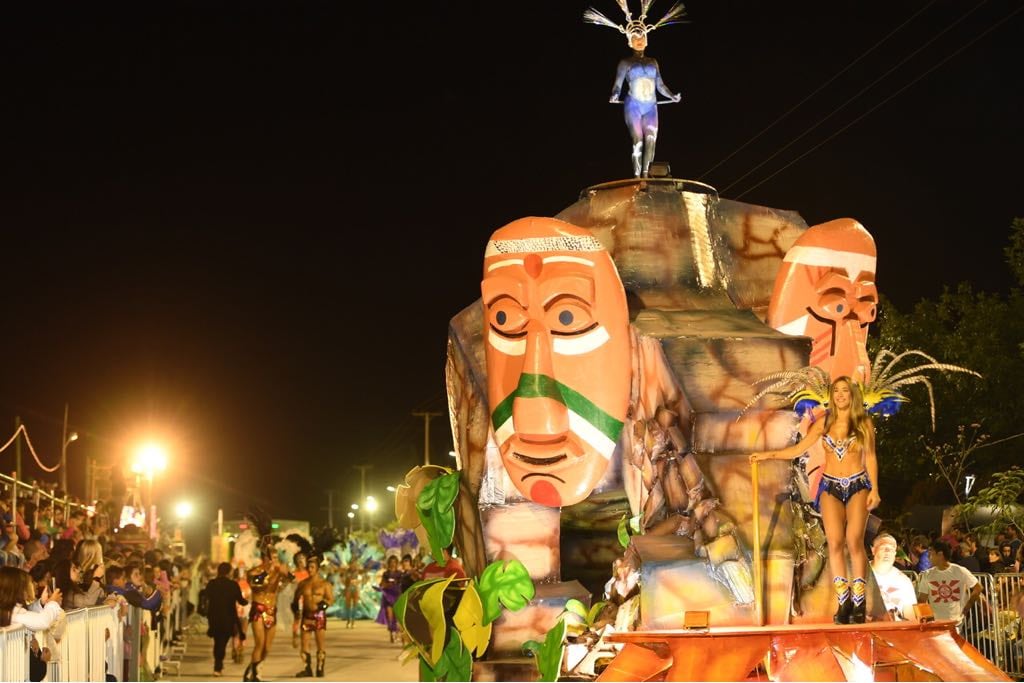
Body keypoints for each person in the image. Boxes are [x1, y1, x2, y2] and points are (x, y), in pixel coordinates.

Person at [751, 376, 880, 624]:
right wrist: (767, 455)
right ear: (831, 396)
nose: (841, 395)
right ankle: (844, 602)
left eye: (845, 390)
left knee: (854, 541)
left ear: (852, 395)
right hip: (830, 485)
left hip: (858, 484)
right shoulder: (823, 422)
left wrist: (875, 489)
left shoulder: (863, 423)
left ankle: (859, 601)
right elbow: (797, 450)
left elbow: (871, 457)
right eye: (836, 391)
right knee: (834, 543)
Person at [583, 0, 685, 177]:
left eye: (642, 37)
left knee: (651, 139)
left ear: (647, 40)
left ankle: (647, 174)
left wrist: (672, 96)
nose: (640, 41)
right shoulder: (625, 62)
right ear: (630, 42)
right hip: (634, 105)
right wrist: (615, 94)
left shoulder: (653, 62)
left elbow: (660, 84)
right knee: (638, 140)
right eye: (636, 39)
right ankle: (637, 176)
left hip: (651, 106)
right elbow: (618, 84)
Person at [0, 566, 65, 682]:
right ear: (18, 589)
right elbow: (42, 621)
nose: (32, 586)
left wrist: (42, 603)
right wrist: (53, 603)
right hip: (14, 670)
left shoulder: (10, 610)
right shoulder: (14, 613)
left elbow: (27, 614)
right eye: (27, 584)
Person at [244, 535, 290, 681]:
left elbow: (285, 585)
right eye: (273, 558)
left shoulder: (278, 572)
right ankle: (256, 676)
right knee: (260, 643)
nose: (276, 561)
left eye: (277, 558)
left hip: (271, 610)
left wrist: (287, 576)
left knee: (267, 648)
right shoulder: (254, 572)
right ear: (265, 558)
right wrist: (268, 572)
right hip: (258, 608)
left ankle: (253, 668)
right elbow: (257, 585)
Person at [916, 539, 981, 634]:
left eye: (931, 554)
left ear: (940, 554)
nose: (929, 558)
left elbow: (978, 587)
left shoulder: (959, 571)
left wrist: (968, 606)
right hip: (936, 624)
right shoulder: (927, 574)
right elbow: (922, 599)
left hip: (956, 622)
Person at [292, 552, 334, 678]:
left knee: (320, 643)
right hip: (306, 616)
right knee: (304, 643)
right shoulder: (303, 584)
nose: (309, 570)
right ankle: (307, 668)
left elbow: (330, 599)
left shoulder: (324, 584)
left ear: (317, 569)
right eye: (308, 567)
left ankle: (320, 668)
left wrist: (324, 605)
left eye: (312, 567)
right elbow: (296, 598)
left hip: (319, 616)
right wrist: (296, 611)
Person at [206, 562, 248, 678]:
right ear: (229, 572)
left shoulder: (212, 584)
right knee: (223, 642)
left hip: (213, 616)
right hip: (228, 616)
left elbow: (206, 597)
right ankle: (218, 665)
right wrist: (249, 601)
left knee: (217, 641)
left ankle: (218, 664)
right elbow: (241, 601)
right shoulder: (233, 585)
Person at [870, 533, 917, 621]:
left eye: (891, 549)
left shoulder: (903, 581)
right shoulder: (861, 574)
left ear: (895, 553)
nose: (887, 552)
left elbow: (911, 616)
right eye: (883, 548)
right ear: (873, 550)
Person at [375, 555, 403, 643]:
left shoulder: (399, 573)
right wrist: (385, 585)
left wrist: (395, 584)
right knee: (389, 616)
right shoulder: (386, 573)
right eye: (391, 562)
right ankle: (392, 634)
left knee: (397, 616)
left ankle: (398, 633)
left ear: (397, 563)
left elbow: (401, 584)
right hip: (388, 596)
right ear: (389, 563)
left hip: (397, 596)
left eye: (394, 562)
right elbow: (381, 583)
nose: (393, 564)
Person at [342, 558, 362, 629]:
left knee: (355, 605)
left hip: (355, 588)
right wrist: (346, 583)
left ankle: (353, 621)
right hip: (348, 588)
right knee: (348, 605)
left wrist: (357, 582)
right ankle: (348, 621)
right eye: (352, 564)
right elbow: (343, 580)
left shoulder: (358, 571)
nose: (353, 565)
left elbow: (362, 579)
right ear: (349, 564)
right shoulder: (347, 571)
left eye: (355, 564)